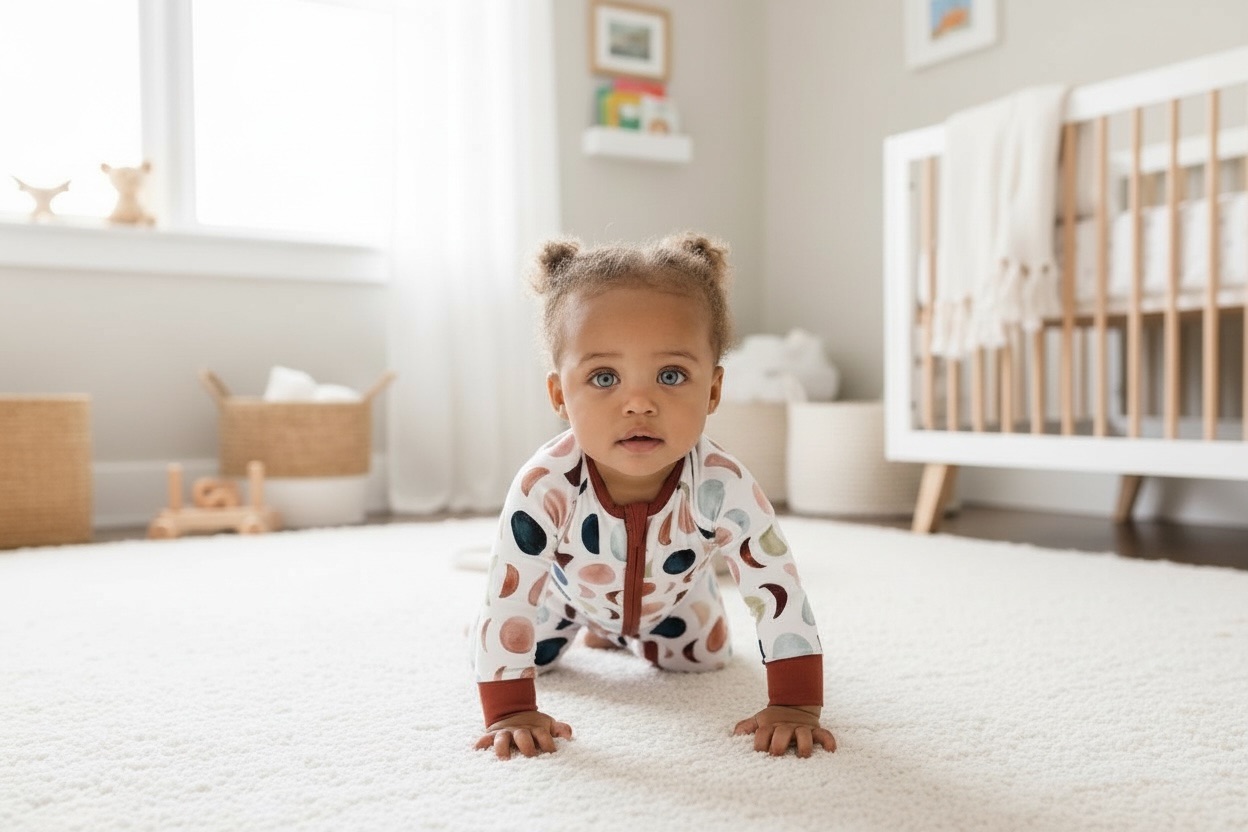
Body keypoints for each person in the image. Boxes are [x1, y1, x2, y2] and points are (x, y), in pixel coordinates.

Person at [472, 232, 836, 760]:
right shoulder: (545, 484)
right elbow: (509, 591)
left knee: (705, 658)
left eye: (671, 375)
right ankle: (600, 630)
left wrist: (795, 704)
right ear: (559, 396)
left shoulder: (723, 483)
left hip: (679, 603)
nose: (638, 402)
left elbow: (775, 585)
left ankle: (629, 634)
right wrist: (509, 710)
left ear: (712, 390)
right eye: (604, 377)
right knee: (524, 649)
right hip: (567, 598)